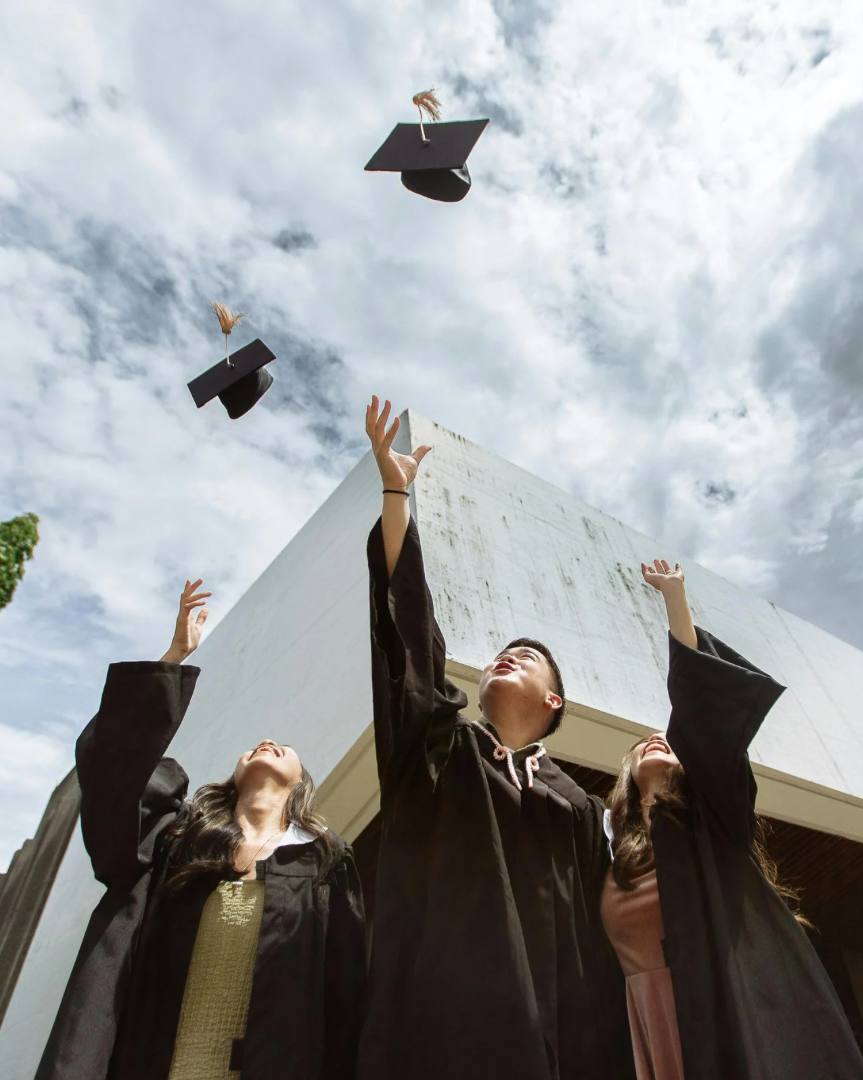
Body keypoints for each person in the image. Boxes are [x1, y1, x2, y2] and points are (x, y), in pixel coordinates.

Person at [357, 396, 630, 1080]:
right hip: (439, 1034)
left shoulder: (581, 811)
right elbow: (408, 638)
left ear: (554, 701)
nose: (504, 657)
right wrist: (396, 495)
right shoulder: (441, 751)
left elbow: (603, 941)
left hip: (560, 1043)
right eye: (499, 655)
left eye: (525, 657)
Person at [37, 579, 366, 1080]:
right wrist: (173, 659)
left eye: (282, 747)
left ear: (300, 781)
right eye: (253, 745)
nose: (266, 741)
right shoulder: (177, 837)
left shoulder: (323, 861)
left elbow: (345, 993)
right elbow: (113, 775)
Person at [601, 559, 863, 1080]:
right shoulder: (609, 849)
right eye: (643, 745)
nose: (656, 740)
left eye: (667, 740)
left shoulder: (714, 818)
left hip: (729, 1010)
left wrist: (675, 601)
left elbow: (702, 712)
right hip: (648, 1022)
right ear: (627, 772)